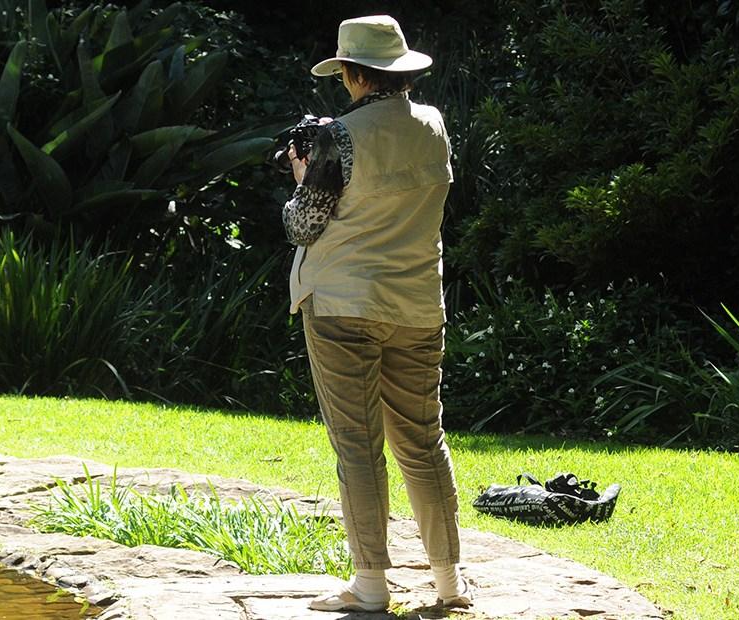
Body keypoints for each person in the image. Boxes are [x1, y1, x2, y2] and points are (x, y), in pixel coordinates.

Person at [283, 15, 467, 613]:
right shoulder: (434, 125)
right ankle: (448, 582)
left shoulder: (338, 137)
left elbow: (303, 224)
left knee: (358, 447)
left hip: (342, 304)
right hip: (417, 304)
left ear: (353, 74)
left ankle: (369, 586)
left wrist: (300, 177)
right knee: (423, 441)